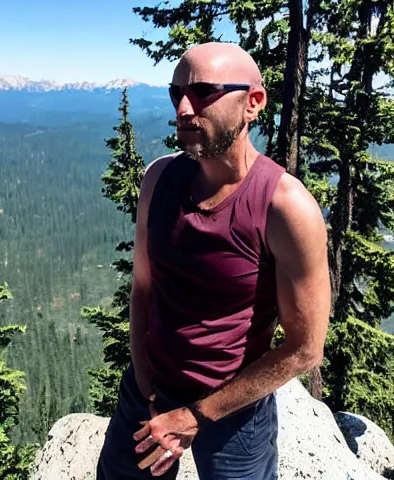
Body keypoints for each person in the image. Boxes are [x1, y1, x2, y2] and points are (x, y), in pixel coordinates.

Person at [96, 42, 331, 479]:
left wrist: (195, 416)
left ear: (253, 103)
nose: (183, 107)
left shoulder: (285, 207)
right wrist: (147, 385)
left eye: (203, 92)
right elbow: (143, 291)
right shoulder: (159, 180)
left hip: (235, 410)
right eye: (175, 93)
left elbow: (305, 349)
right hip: (149, 390)